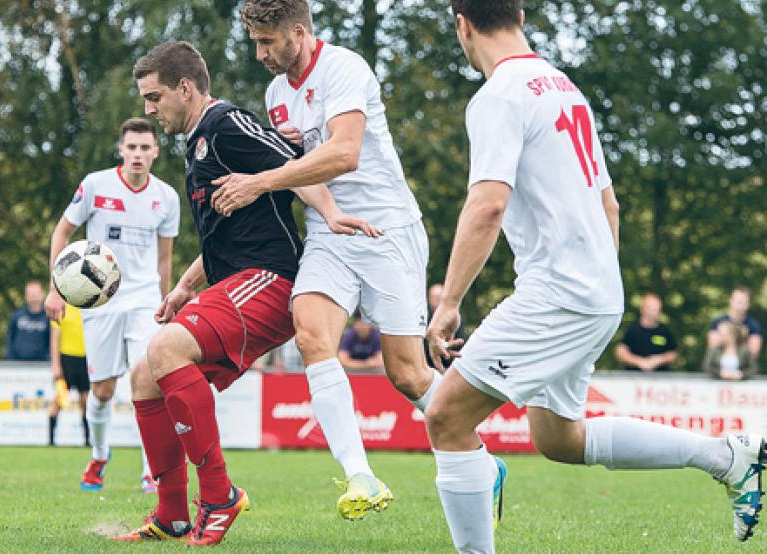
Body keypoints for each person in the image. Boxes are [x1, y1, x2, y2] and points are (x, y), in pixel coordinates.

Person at [424, 3, 765, 551]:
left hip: (559, 294)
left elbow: (487, 206)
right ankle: (724, 456)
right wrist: (599, 283)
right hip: (596, 290)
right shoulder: (563, 86)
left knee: (445, 416)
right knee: (558, 437)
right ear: (521, 13)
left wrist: (449, 304)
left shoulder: (498, 96)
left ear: (461, 23)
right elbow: (611, 206)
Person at [220, 0, 491, 520]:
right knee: (310, 333)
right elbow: (302, 170)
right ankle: (360, 476)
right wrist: (289, 161)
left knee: (407, 374)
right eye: (255, 42)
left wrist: (260, 181)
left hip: (387, 228)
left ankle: (478, 453)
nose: (260, 54)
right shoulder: (277, 93)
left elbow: (346, 153)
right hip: (329, 228)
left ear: (298, 33)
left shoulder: (344, 68)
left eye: (268, 42)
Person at [115, 41, 379, 545]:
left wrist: (330, 215)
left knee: (164, 348)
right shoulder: (198, 144)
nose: (148, 109)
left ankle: (218, 497)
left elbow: (296, 164)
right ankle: (171, 513)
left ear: (185, 88)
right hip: (235, 283)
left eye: (154, 97)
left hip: (272, 280)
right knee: (145, 376)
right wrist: (185, 287)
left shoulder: (225, 124)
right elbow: (220, 232)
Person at [43, 118, 179, 492]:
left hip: (144, 302)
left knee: (148, 383)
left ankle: (151, 469)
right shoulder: (94, 184)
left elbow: (164, 259)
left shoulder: (167, 197)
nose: (137, 154)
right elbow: (62, 232)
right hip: (100, 302)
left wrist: (165, 304)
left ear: (155, 152)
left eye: (144, 148)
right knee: (102, 391)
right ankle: (100, 455)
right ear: (121, 150)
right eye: (131, 147)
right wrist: (56, 290)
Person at [47, 304, 90, 449]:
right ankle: (51, 440)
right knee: (60, 399)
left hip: (85, 358)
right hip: (66, 358)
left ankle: (87, 439)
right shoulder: (61, 306)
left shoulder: (89, 306)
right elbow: (54, 339)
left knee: (85, 400)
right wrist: (56, 366)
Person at [615, 293, 678, 372]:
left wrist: (659, 359)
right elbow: (621, 352)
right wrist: (639, 362)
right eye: (651, 308)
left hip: (660, 379)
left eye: (657, 309)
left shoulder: (665, 331)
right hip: (634, 378)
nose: (654, 312)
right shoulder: (632, 330)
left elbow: (673, 354)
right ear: (643, 309)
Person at [708, 287, 762, 361]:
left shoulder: (753, 325)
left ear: (748, 304)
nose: (740, 305)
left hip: (743, 368)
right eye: (738, 301)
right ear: (730, 300)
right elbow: (713, 348)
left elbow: (754, 352)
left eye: (743, 302)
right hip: (719, 367)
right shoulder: (718, 322)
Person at [425, 283, 468, 370]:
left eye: (439, 298)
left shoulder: (454, 318)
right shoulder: (423, 318)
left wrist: (446, 345)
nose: (437, 301)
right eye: (434, 298)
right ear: (429, 299)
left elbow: (460, 342)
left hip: (449, 363)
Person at [6, 280, 50, 361]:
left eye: (36, 294)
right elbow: (10, 340)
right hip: (18, 365)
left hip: (42, 366)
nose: (33, 297)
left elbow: (52, 343)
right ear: (25, 296)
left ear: (42, 294)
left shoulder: (49, 317)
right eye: (30, 294)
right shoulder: (17, 316)